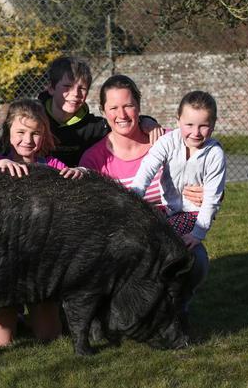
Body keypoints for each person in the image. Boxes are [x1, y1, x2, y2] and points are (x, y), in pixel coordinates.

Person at [79, 75, 208, 331]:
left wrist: (206, 194)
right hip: (123, 238)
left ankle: (177, 307)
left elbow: (210, 179)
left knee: (196, 258)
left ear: (138, 106)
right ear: (103, 111)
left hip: (170, 227)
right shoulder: (93, 158)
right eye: (113, 107)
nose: (122, 114)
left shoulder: (170, 141)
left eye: (127, 105)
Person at [0, 98, 84, 346]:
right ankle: (10, 313)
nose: (27, 140)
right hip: (3, 262)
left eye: (36, 133)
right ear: (8, 131)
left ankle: (32, 316)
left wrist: (80, 173)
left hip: (41, 263)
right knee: (0, 343)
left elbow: (78, 180)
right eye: (20, 132)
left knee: (50, 336)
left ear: (45, 135)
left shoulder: (50, 166)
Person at [0, 56, 164, 167]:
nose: (75, 94)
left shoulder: (94, 127)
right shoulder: (30, 117)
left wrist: (146, 121)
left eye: (82, 88)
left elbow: (121, 121)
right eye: (67, 87)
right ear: (52, 88)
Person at [131, 90, 226, 249]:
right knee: (138, 228)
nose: (195, 132)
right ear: (178, 120)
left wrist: (197, 234)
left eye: (203, 126)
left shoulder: (214, 154)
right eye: (189, 125)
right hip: (168, 209)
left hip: (194, 214)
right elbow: (147, 168)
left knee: (163, 236)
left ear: (214, 123)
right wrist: (134, 196)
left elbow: (212, 198)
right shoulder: (168, 141)